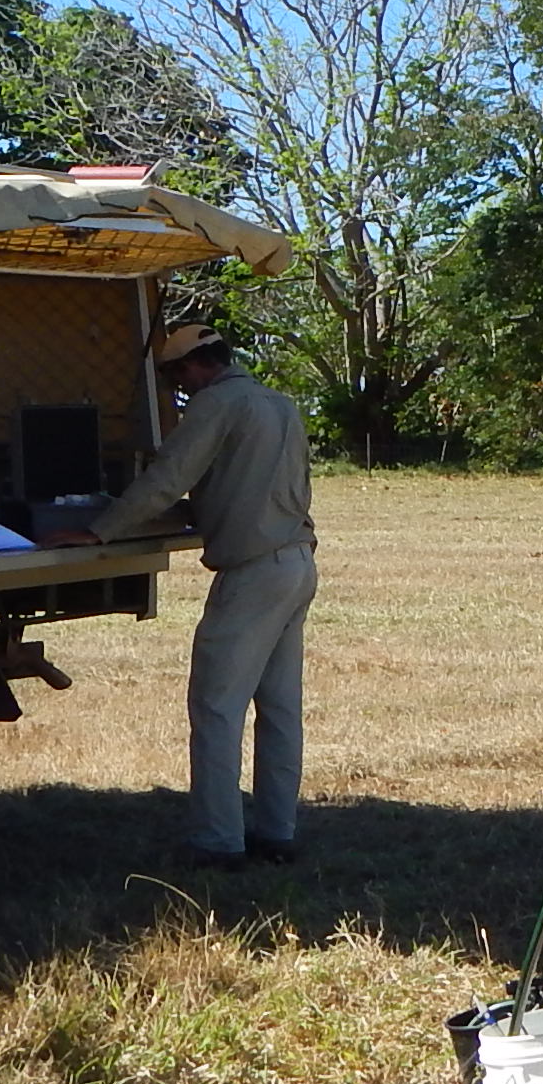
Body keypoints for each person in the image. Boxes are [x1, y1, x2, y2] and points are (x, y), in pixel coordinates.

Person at [44, 324, 316, 867]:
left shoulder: (215, 404)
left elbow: (168, 477)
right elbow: (259, 482)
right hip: (297, 560)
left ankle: (218, 841)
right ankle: (276, 832)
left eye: (175, 377)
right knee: (280, 708)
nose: (178, 389)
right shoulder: (277, 402)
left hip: (252, 572)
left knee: (216, 707)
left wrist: (102, 527)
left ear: (196, 367)